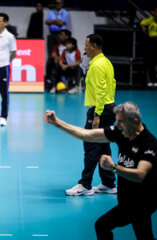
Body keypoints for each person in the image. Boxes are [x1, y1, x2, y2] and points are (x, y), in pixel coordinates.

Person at [44, 102, 157, 240]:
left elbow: (140, 174)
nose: (117, 125)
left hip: (142, 201)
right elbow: (87, 135)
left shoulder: (149, 144)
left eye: (121, 121)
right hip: (127, 200)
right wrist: (57, 122)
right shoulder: (122, 132)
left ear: (134, 121)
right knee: (139, 235)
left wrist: (113, 167)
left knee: (102, 226)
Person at [65, 34, 117, 196]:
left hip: (101, 110)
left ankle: (85, 185)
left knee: (91, 147)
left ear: (94, 46)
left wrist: (97, 114)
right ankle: (108, 184)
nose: (84, 47)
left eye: (87, 44)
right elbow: (112, 85)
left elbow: (101, 91)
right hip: (108, 109)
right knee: (103, 147)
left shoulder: (97, 65)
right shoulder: (105, 62)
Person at [140, 5, 157, 88]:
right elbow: (143, 22)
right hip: (152, 42)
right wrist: (143, 27)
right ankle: (153, 80)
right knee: (151, 62)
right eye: (156, 12)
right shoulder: (152, 19)